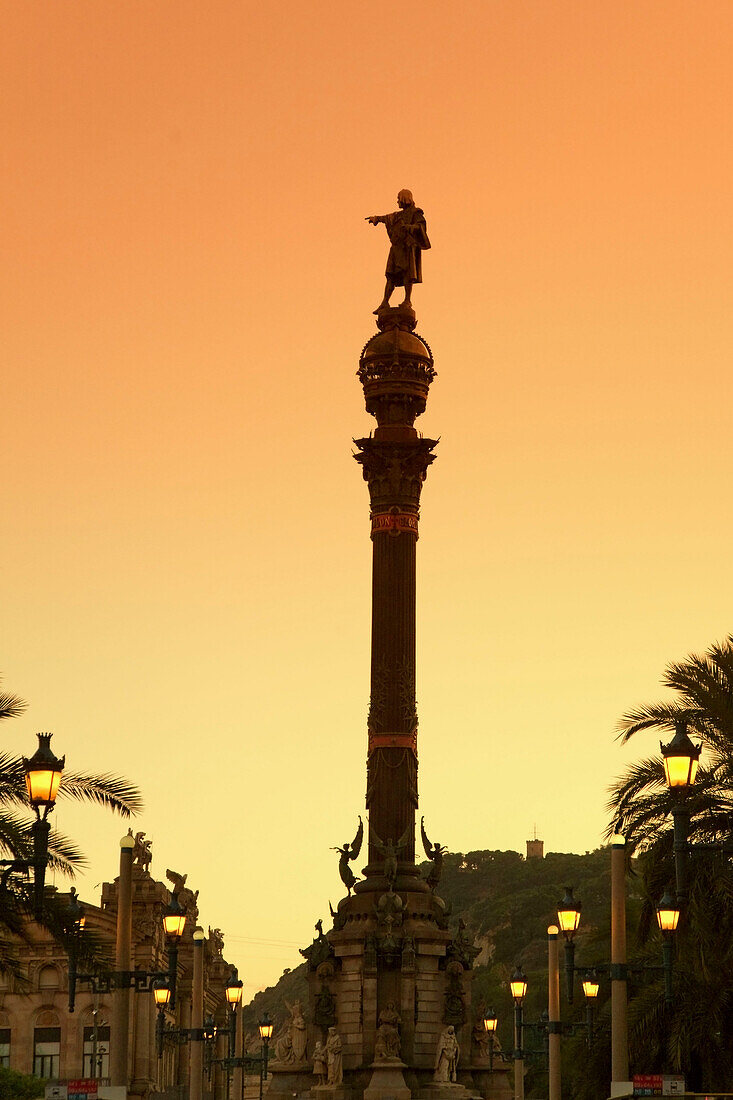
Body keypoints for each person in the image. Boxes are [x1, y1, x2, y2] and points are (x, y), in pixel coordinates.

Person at [366, 190, 430, 312]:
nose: (397, 201)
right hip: (396, 247)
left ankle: (407, 300)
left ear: (404, 198)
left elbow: (421, 225)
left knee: (407, 274)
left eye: (398, 198)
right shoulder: (397, 216)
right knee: (390, 275)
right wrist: (376, 219)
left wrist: (410, 227)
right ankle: (385, 302)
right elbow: (386, 218)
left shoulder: (415, 212)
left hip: (407, 246)